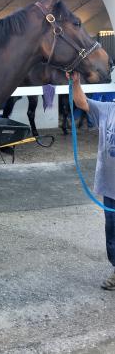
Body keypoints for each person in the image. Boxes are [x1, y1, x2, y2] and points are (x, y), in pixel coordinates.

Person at [69, 71, 115, 289]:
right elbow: (82, 102)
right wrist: (76, 82)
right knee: (112, 233)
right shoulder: (108, 109)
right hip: (110, 187)